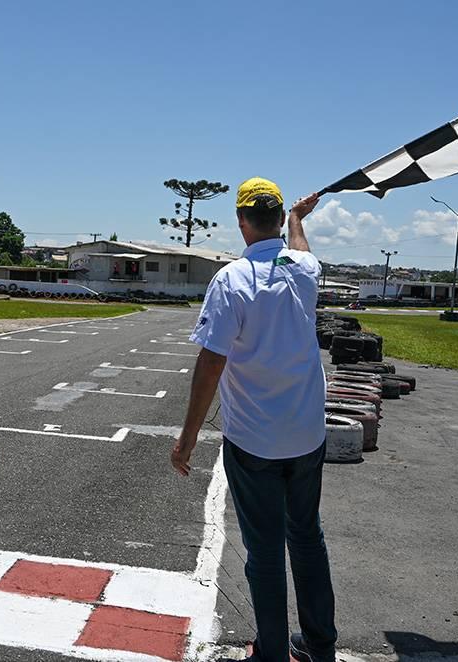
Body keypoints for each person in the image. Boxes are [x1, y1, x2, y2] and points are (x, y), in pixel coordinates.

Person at [171, 178, 337, 662]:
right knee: (307, 538)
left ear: (242, 221)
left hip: (255, 442)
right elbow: (301, 252)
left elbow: (211, 363)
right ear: (276, 218)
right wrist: (298, 222)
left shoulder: (231, 279)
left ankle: (270, 651)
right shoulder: (304, 270)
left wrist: (186, 439)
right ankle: (321, 646)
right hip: (308, 435)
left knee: (265, 552)